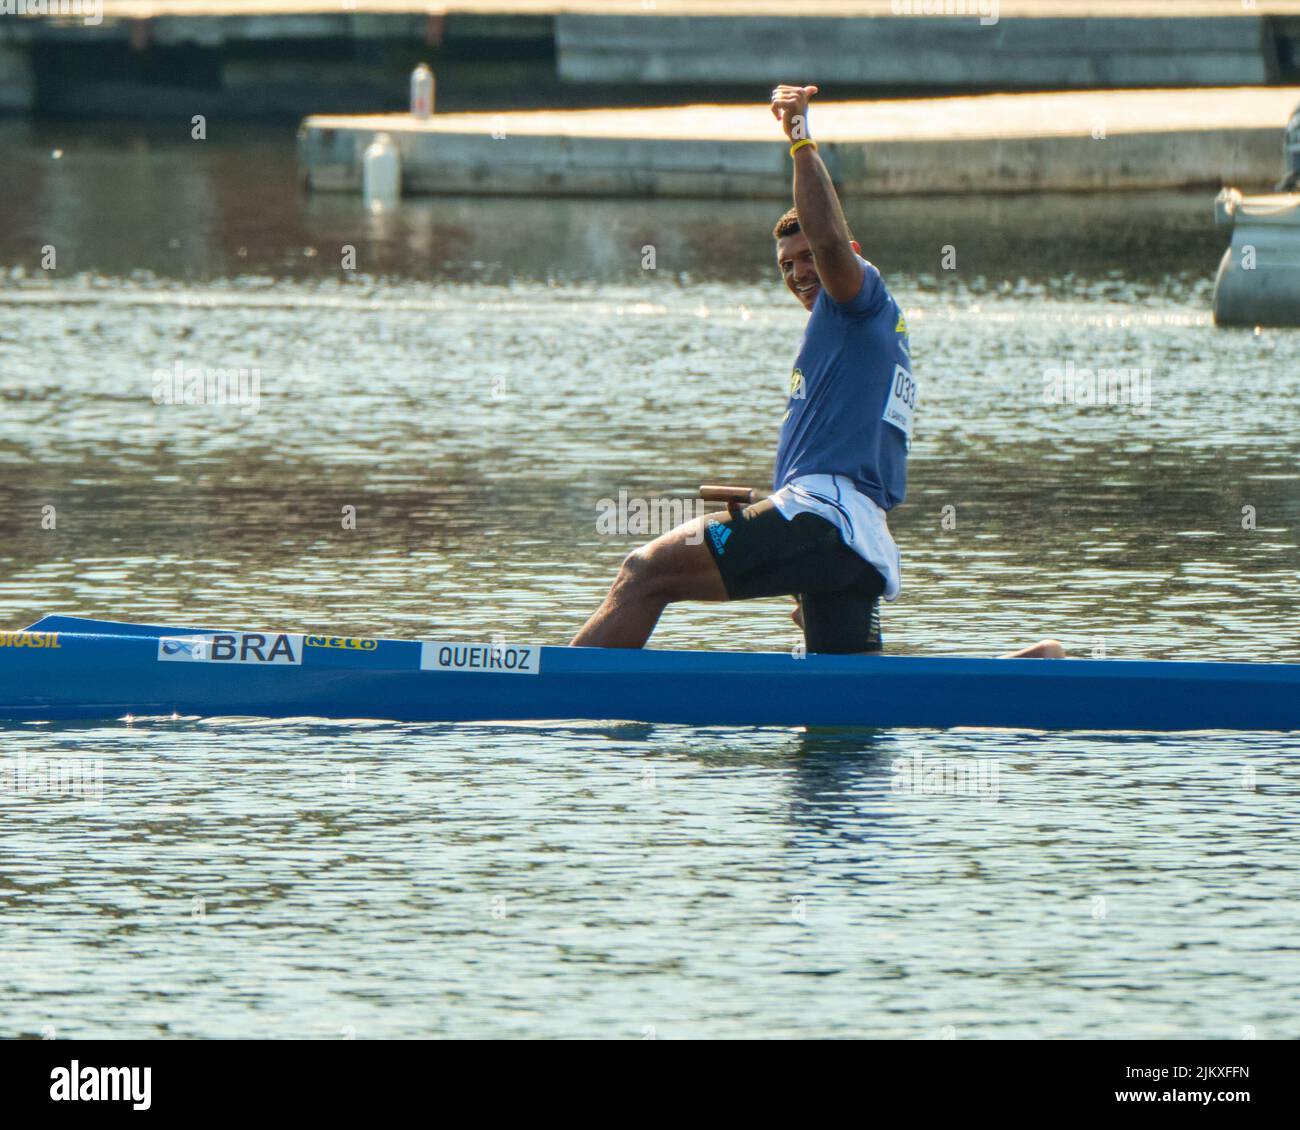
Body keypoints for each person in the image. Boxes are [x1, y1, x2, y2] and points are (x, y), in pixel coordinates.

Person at [572, 84, 1064, 660]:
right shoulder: (859, 334)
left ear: (849, 253)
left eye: (809, 258)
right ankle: (1023, 673)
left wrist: (799, 137)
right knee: (855, 697)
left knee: (645, 571)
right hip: (852, 541)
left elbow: (830, 240)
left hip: (822, 517)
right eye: (787, 265)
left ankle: (541, 697)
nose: (801, 273)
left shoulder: (858, 297)